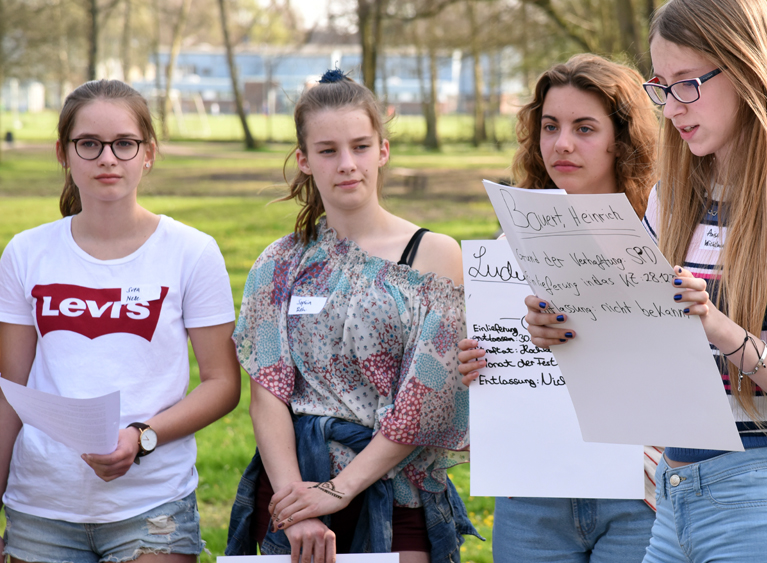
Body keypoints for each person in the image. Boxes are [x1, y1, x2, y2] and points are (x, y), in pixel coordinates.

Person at [526, 1, 767, 561]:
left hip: (759, 497)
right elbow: (642, 349)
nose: (674, 108)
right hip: (670, 496)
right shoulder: (673, 198)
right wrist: (566, 327)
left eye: (688, 83)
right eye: (663, 87)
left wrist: (718, 326)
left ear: (747, 69)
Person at [225, 70, 477, 563]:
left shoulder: (434, 256)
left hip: (395, 495)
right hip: (292, 497)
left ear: (382, 150)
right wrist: (298, 504)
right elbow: (267, 394)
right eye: (327, 151)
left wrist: (339, 490)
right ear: (303, 160)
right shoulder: (278, 263)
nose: (347, 165)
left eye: (360, 147)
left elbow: (426, 400)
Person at [0, 79, 241, 561]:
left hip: (153, 505)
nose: (107, 158)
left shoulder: (192, 251)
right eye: (88, 144)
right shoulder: (26, 252)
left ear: (147, 153)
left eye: (124, 143)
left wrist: (141, 436)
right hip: (41, 507)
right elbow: (10, 388)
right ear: (63, 153)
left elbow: (222, 383)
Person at [457, 53, 660, 563]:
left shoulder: (666, 232)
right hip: (533, 490)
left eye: (584, 128)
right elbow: (512, 360)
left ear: (625, 138)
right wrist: (479, 366)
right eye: (550, 126)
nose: (562, 144)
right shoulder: (512, 237)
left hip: (637, 490)